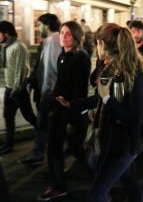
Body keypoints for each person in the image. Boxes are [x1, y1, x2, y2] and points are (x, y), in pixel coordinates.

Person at [57, 23, 143, 202]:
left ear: (102, 44)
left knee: (97, 193)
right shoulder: (110, 67)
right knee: (129, 181)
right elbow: (98, 98)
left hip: (125, 145)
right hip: (112, 141)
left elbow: (135, 118)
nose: (96, 48)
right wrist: (71, 104)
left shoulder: (132, 73)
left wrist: (108, 99)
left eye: (97, 44)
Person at [38, 21, 91, 201]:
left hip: (69, 110)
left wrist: (69, 105)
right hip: (61, 107)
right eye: (62, 32)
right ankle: (95, 176)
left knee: (55, 147)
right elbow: (60, 84)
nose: (63, 36)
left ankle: (59, 186)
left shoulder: (79, 57)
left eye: (68, 33)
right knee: (74, 149)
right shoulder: (63, 55)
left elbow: (80, 87)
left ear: (76, 37)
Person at [20, 13, 62, 165]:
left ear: (47, 25)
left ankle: (42, 157)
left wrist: (45, 91)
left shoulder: (53, 40)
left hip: (48, 92)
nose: (38, 28)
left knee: (44, 125)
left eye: (40, 25)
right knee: (45, 125)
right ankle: (47, 157)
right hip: (49, 91)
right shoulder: (52, 40)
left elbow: (50, 70)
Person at [0, 21, 37, 154]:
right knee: (8, 116)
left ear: (6, 33)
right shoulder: (5, 46)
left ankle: (45, 135)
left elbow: (21, 70)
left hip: (18, 90)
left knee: (28, 116)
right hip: (10, 87)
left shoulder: (19, 47)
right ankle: (9, 144)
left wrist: (16, 89)